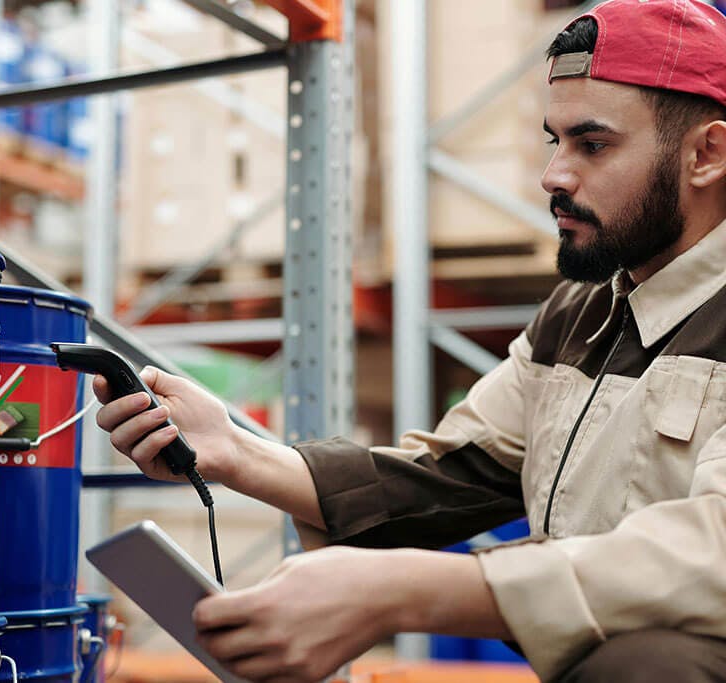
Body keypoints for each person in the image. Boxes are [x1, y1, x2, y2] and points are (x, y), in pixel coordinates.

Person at [94, 1, 726, 681]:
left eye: (592, 144)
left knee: (651, 662)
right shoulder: (580, 314)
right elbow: (454, 475)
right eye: (554, 140)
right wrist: (235, 451)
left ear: (705, 155)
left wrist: (396, 592)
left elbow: (708, 552)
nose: (554, 176)